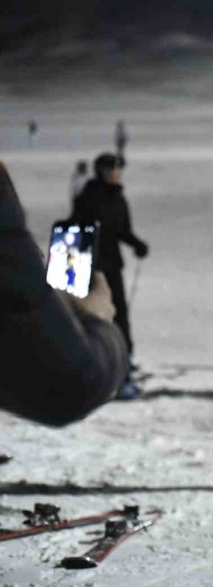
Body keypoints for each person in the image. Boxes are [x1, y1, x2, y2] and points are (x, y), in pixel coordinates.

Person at [0, 161, 128, 426]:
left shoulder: (100, 196)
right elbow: (70, 382)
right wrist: (97, 322)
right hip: (99, 273)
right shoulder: (97, 197)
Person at [72, 153, 149, 399]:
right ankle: (109, 374)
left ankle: (124, 365)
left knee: (120, 316)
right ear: (102, 171)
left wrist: (137, 244)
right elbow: (80, 227)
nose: (118, 173)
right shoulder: (90, 196)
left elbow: (122, 230)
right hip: (93, 268)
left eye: (119, 169)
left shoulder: (118, 198)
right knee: (99, 317)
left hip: (112, 265)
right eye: (113, 169)